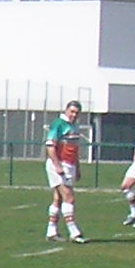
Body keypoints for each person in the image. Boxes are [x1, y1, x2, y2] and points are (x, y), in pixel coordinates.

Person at [44, 98, 90, 243]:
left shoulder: (74, 126)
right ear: (66, 110)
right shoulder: (58, 124)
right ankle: (74, 232)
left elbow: (74, 150)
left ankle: (51, 231)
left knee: (58, 199)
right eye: (72, 111)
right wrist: (57, 166)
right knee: (69, 197)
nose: (74, 115)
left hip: (69, 165)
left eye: (77, 113)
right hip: (58, 165)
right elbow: (50, 146)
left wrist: (78, 168)